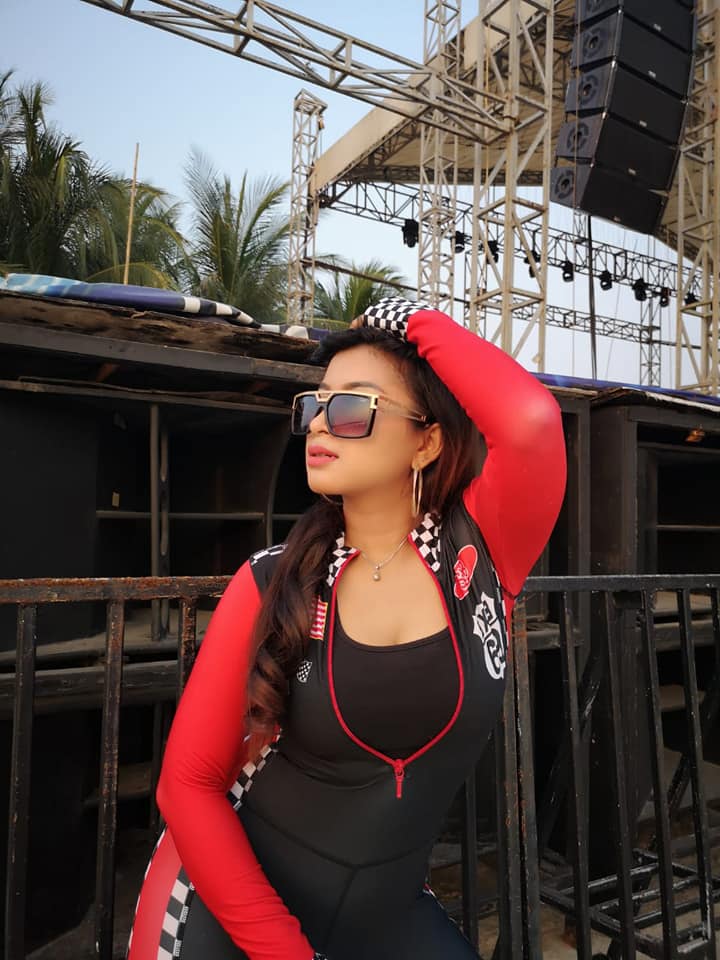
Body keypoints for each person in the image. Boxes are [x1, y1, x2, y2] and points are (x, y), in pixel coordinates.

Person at [128, 296, 567, 960]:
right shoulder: (273, 580)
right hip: (226, 916)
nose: (319, 424)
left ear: (426, 441)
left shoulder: (479, 557)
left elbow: (531, 420)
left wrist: (405, 318)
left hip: (386, 915)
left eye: (352, 407)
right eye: (315, 404)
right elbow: (187, 784)